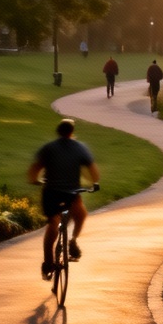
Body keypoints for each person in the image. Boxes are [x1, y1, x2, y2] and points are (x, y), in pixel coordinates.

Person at [27, 118, 100, 281]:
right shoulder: (80, 148)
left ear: (58, 131)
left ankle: (48, 264)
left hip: (51, 192)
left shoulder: (49, 148)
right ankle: (73, 240)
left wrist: (34, 180)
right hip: (71, 193)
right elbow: (93, 171)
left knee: (52, 224)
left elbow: (34, 169)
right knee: (81, 214)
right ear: (72, 132)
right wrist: (95, 183)